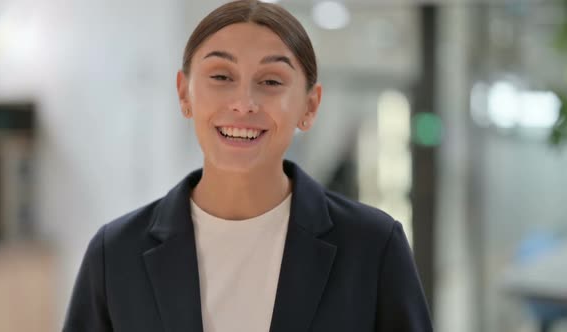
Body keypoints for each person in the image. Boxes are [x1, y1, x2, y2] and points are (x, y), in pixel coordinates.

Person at [63, 1, 432, 331]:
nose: (244, 103)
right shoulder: (116, 254)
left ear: (310, 106)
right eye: (221, 77)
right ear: (183, 93)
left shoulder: (372, 247)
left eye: (271, 81)